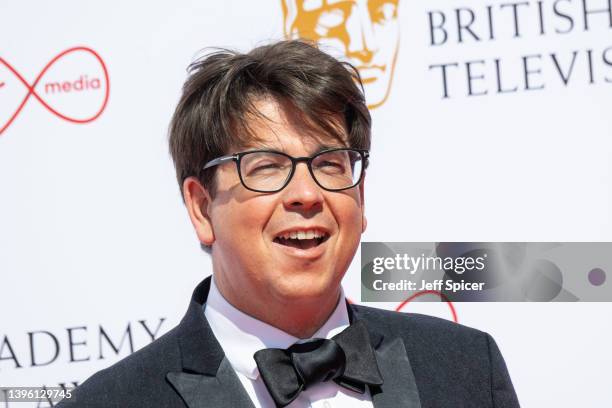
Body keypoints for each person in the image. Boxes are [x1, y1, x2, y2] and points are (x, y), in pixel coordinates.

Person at [57, 40, 519, 408]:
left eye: (330, 163)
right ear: (201, 208)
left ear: (360, 195)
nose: (307, 194)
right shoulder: (112, 401)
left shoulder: (465, 367)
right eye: (267, 166)